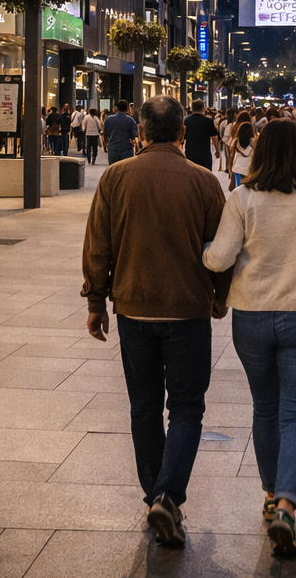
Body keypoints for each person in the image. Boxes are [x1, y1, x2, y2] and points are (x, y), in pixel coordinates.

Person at [82, 96, 231, 547]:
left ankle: (155, 495)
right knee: (187, 407)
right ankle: (168, 496)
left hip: (133, 308)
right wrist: (219, 298)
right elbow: (222, 250)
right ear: (183, 134)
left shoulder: (115, 177)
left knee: (144, 408)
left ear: (139, 134)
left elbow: (98, 244)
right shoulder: (204, 182)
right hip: (187, 310)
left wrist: (96, 300)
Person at [203, 120, 296, 558]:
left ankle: (271, 495)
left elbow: (219, 259)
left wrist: (200, 250)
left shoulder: (242, 198)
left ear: (261, 153)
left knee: (265, 409)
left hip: (251, 316)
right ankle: (288, 503)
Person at [182, 100, 220, 171]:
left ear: (192, 108)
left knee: (192, 174)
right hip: (204, 154)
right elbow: (214, 136)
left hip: (190, 153)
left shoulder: (186, 120)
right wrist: (217, 150)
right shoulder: (208, 121)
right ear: (203, 108)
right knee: (206, 174)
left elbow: (182, 136)